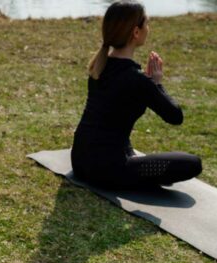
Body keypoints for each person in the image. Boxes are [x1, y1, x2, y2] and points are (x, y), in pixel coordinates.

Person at [71, 1, 202, 187]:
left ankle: (132, 162)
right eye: (147, 23)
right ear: (136, 32)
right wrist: (157, 84)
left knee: (117, 135)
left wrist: (150, 84)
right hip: (108, 170)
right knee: (192, 163)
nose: (149, 28)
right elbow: (175, 116)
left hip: (80, 161)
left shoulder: (98, 67)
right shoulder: (137, 79)